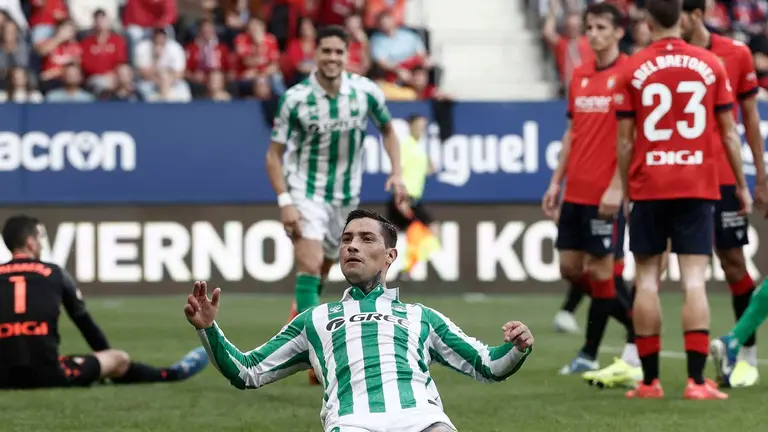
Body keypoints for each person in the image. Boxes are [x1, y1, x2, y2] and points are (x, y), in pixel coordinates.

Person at [184, 209, 533, 432]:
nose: (353, 246)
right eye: (347, 239)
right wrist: (207, 328)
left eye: (367, 239)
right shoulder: (314, 320)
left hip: (423, 422)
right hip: (352, 424)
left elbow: (489, 364)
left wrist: (516, 347)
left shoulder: (421, 317)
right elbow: (248, 371)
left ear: (390, 256)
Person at [613, 0, 751, 400]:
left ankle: (649, 382)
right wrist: (741, 185)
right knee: (694, 281)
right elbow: (728, 133)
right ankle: (695, 382)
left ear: (648, 21)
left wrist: (625, 186)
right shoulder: (710, 64)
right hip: (697, 184)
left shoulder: (633, 67)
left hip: (649, 184)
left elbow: (624, 141)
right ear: (683, 16)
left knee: (646, 281)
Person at [265, 25, 407, 385]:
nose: (332, 58)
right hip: (305, 193)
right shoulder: (296, 98)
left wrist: (397, 172)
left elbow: (389, 130)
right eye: (326, 51)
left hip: (345, 199)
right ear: (316, 53)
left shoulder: (365, 93)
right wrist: (285, 202)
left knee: (327, 268)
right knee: (310, 263)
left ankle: (301, 315)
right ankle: (319, 356)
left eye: (338, 52)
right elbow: (274, 155)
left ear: (349, 55)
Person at [542, 2, 639, 382]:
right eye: (589, 27)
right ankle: (637, 322)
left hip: (606, 196)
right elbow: (572, 133)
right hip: (574, 194)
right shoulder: (580, 75)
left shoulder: (630, 74)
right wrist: (555, 181)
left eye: (601, 27)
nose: (593, 34)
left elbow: (631, 139)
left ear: (618, 32)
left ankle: (588, 353)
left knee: (601, 273)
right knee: (571, 269)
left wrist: (618, 186)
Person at [0, 214, 208, 390]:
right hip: (48, 374)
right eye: (40, 238)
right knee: (118, 359)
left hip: (3, 377)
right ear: (30, 242)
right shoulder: (55, 274)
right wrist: (105, 356)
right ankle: (171, 374)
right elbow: (83, 321)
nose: (42, 244)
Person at [679, 0, 768, 388]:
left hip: (723, 180)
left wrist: (759, 179)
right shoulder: (661, 59)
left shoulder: (735, 54)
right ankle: (636, 360)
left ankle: (744, 352)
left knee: (733, 262)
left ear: (696, 14)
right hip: (677, 180)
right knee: (652, 263)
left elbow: (748, 119)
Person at [385, 113, 439, 281]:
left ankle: (402, 270)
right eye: (419, 125)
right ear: (410, 126)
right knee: (428, 229)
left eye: (424, 126)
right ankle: (403, 270)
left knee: (394, 235)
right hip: (405, 197)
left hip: (414, 199)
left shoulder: (418, 147)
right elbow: (397, 171)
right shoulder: (406, 146)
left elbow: (430, 169)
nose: (422, 129)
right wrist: (399, 197)